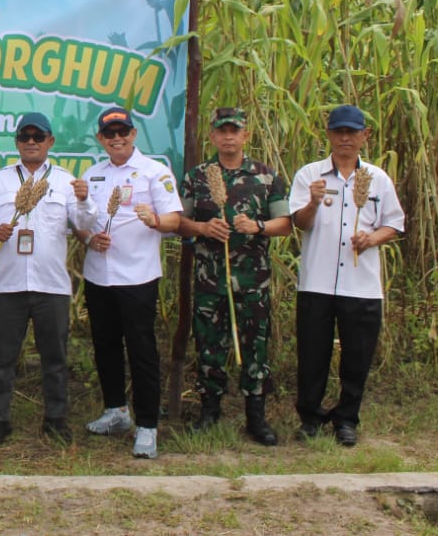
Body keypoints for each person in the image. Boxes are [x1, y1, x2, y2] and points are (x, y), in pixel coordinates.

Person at [0, 111, 94, 449]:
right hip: (9, 284)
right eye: (25, 137)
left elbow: (84, 222)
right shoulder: (0, 181)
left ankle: (55, 419)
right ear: (17, 142)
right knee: (2, 357)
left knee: (54, 357)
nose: (31, 142)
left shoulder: (66, 182)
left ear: (50, 142)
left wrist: (84, 199)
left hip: (50, 285)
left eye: (38, 137)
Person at [289, 104, 404, 447]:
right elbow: (299, 223)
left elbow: (394, 224)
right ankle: (310, 417)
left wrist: (371, 238)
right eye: (338, 131)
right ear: (328, 134)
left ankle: (346, 419)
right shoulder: (310, 175)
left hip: (362, 284)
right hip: (317, 282)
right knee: (312, 355)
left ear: (364, 136)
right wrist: (311, 203)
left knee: (357, 356)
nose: (345, 138)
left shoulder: (377, 179)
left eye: (352, 132)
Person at [178, 107, 291, 446]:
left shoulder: (266, 176)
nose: (228, 136)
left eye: (234, 130)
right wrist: (202, 227)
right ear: (212, 136)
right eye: (222, 130)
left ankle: (256, 416)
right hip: (211, 280)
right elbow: (179, 223)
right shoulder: (197, 177)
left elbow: (284, 224)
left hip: (252, 281)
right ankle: (209, 411)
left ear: (245, 135)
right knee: (209, 346)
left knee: (254, 347)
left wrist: (257, 226)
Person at [77, 107, 182, 460]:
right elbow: (83, 220)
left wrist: (155, 220)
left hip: (137, 276)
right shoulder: (92, 175)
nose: (117, 139)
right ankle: (116, 412)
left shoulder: (154, 172)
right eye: (110, 134)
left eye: (123, 132)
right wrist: (90, 238)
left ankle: (147, 425)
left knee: (141, 350)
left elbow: (175, 219)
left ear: (133, 134)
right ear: (101, 139)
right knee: (105, 344)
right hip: (99, 274)